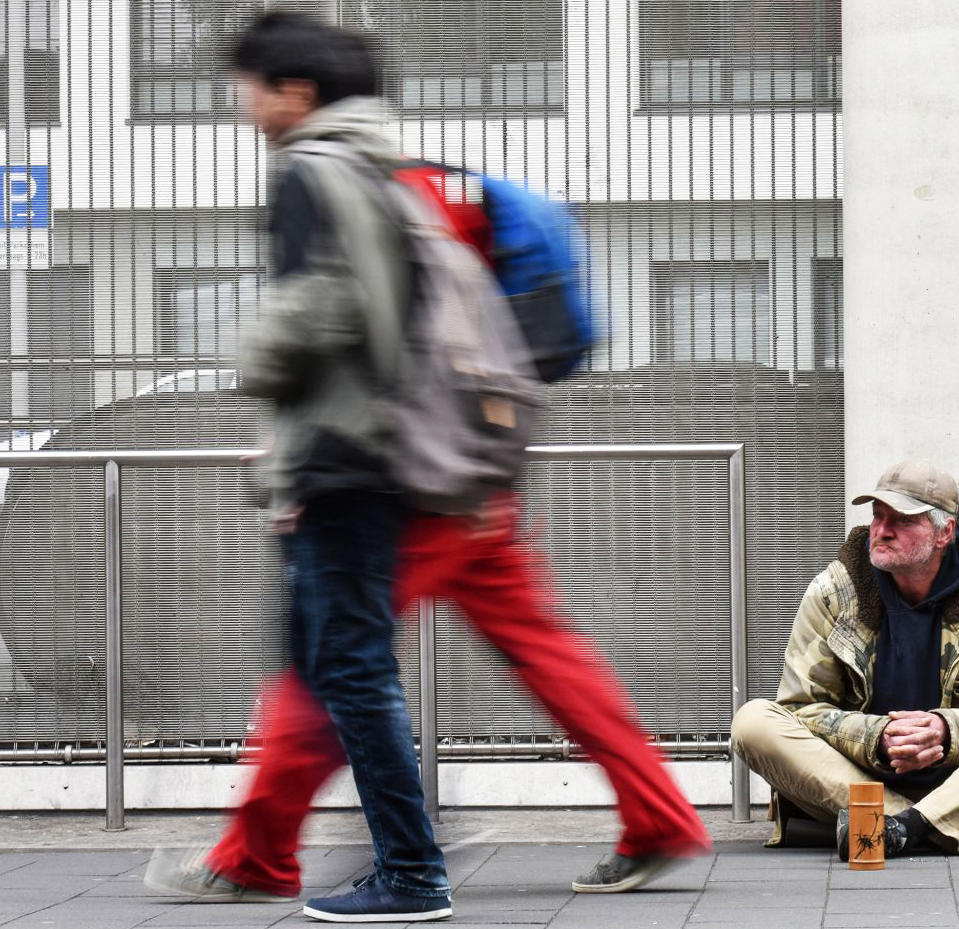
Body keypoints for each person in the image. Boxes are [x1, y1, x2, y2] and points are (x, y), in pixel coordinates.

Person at [144, 12, 709, 913]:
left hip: (408, 479)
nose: (243, 104)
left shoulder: (347, 182)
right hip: (477, 469)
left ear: (300, 92)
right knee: (543, 652)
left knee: (330, 667)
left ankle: (260, 853)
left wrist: (304, 435)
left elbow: (360, 334)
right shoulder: (434, 186)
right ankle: (659, 813)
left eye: (249, 87)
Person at [731, 459, 959, 857]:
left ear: (944, 532)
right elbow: (802, 709)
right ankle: (945, 823)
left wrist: (947, 731)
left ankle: (898, 829)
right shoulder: (832, 591)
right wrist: (876, 737)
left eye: (901, 520)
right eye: (878, 516)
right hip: (859, 780)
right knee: (752, 722)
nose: (881, 531)